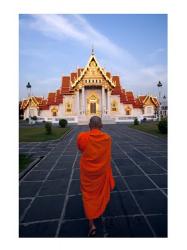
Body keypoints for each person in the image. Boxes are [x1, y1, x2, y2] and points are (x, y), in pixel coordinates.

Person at [77, 116, 115, 237]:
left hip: (88, 172)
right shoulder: (107, 138)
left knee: (88, 195)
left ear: (89, 125)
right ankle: (98, 210)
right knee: (99, 194)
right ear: (101, 125)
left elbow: (81, 149)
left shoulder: (82, 137)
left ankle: (91, 223)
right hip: (101, 172)